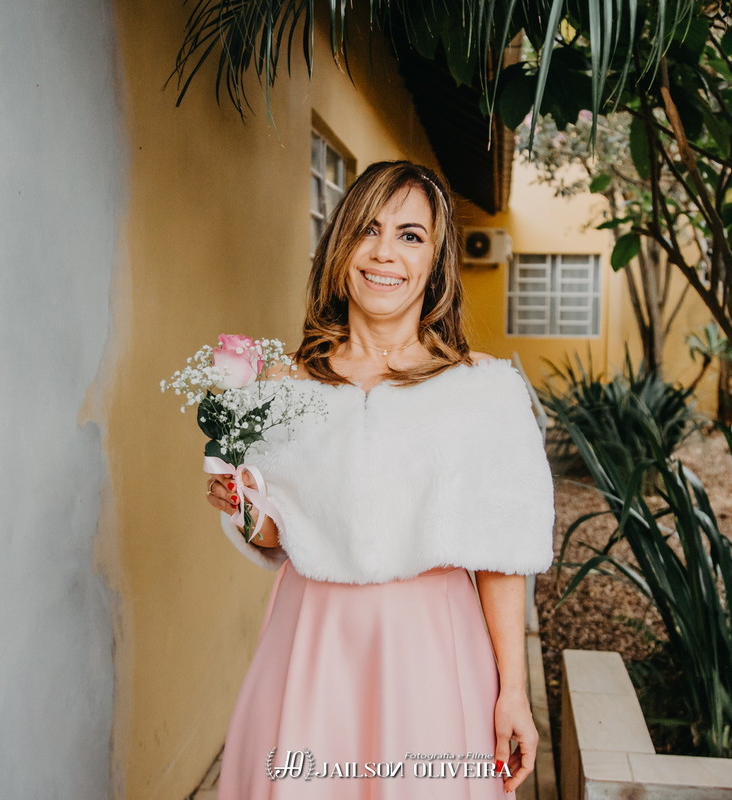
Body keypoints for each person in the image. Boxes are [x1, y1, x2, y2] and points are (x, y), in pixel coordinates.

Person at [204, 160, 555, 798]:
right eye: (368, 229)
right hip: (312, 638)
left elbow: (502, 554)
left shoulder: (483, 389)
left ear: (435, 262)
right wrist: (245, 509)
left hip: (431, 646)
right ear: (342, 247)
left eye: (410, 235)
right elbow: (280, 534)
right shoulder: (285, 384)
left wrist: (513, 692)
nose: (384, 252)